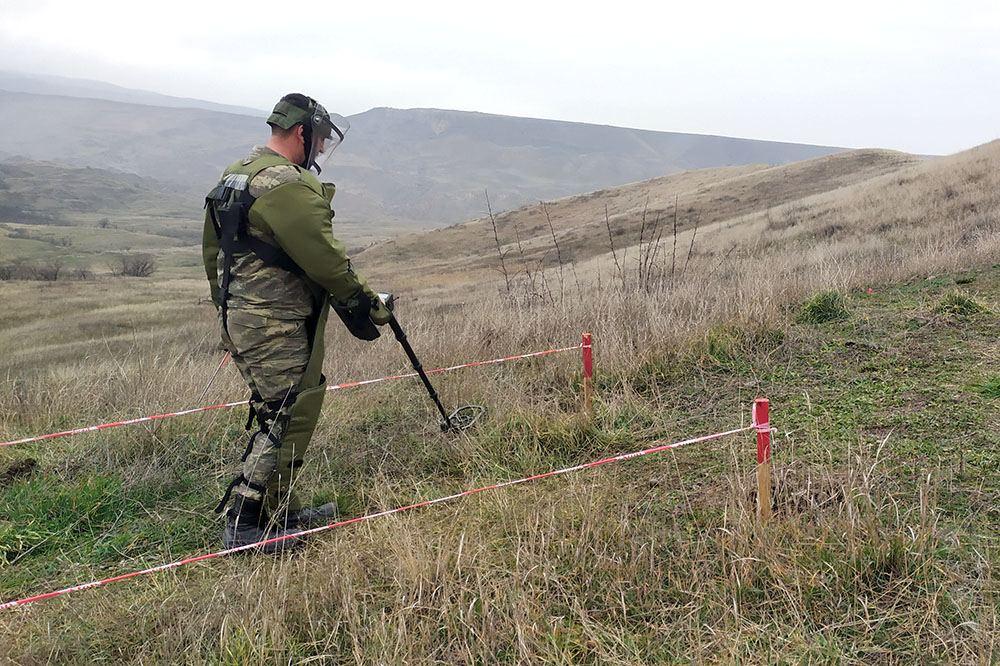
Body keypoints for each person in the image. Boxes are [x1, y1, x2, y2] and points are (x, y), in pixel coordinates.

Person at [202, 93, 391, 551]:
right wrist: (365, 303)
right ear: (302, 132)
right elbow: (325, 260)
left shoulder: (239, 173)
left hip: (244, 316)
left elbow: (213, 255)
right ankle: (244, 523)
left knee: (282, 407)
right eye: (320, 140)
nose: (322, 151)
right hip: (274, 323)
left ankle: (281, 513)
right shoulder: (285, 184)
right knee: (287, 413)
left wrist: (228, 311)